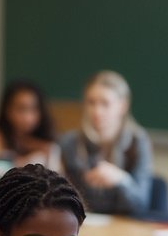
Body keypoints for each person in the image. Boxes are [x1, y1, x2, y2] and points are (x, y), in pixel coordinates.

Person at [57, 70, 153, 218]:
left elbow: (141, 204)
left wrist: (121, 179)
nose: (97, 111)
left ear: (123, 106)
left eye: (105, 103)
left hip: (125, 227)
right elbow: (63, 201)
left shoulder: (137, 142)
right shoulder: (70, 143)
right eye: (91, 102)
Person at [0, 80, 59, 169]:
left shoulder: (50, 143)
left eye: (33, 109)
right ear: (7, 110)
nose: (27, 117)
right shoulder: (1, 133)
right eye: (20, 109)